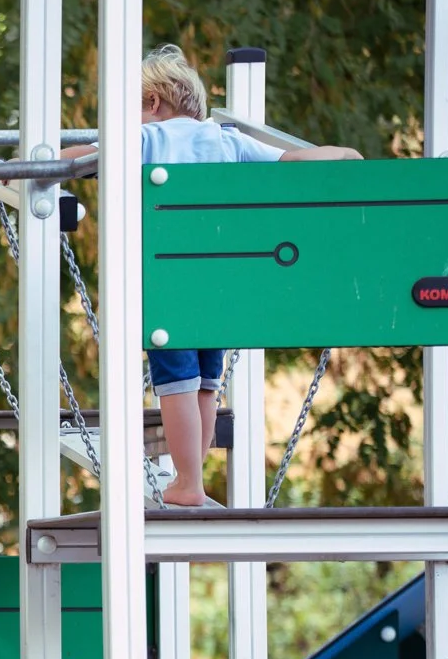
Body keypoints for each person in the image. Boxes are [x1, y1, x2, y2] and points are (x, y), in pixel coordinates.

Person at [62, 43, 361, 506]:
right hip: (221, 281)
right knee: (206, 381)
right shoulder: (226, 140)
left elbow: (81, 158)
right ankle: (192, 478)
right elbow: (290, 162)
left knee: (175, 381)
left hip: (170, 279)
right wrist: (341, 154)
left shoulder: (145, 139)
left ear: (153, 102)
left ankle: (188, 481)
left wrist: (32, 165)